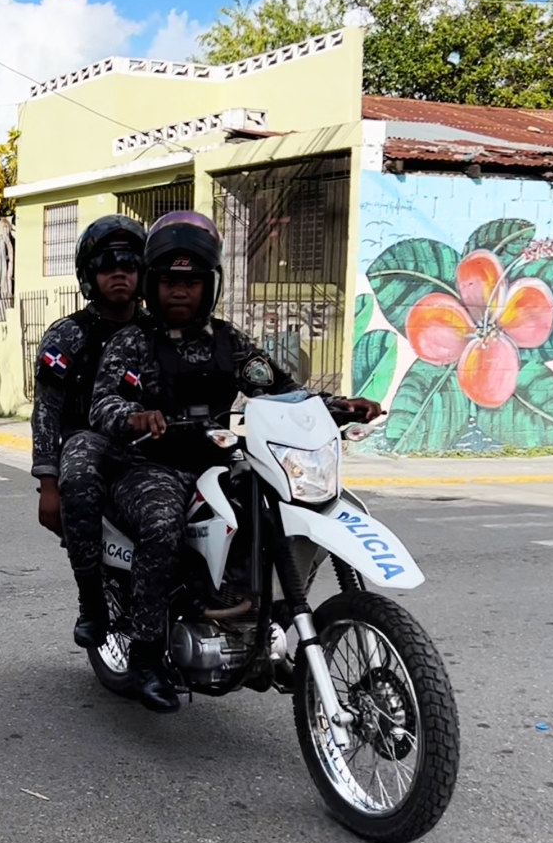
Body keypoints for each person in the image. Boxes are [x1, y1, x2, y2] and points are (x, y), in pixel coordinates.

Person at [89, 211, 383, 713]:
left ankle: (265, 621)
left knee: (273, 505)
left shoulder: (230, 342)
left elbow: (284, 389)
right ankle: (144, 655)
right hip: (151, 466)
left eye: (193, 282)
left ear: (211, 287)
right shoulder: (132, 341)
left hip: (220, 457)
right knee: (162, 525)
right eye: (168, 282)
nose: (180, 292)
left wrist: (335, 405)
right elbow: (103, 402)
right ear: (152, 286)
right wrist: (135, 417)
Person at [31, 214, 152, 651]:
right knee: (80, 464)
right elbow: (46, 411)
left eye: (129, 263)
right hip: (91, 457)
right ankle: (91, 600)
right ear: (89, 274)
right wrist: (48, 485)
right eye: (107, 264)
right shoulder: (67, 336)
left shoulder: (161, 331)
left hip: (154, 453)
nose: (119, 272)